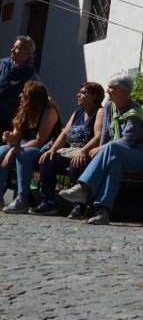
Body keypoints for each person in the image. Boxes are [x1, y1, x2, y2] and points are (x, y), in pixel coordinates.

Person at [58, 73, 143, 226]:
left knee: (112, 147)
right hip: (118, 156)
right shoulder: (109, 106)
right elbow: (105, 134)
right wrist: (101, 148)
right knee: (115, 165)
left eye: (111, 88)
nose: (107, 90)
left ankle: (83, 188)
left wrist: (102, 148)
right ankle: (102, 212)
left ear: (122, 91)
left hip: (141, 158)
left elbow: (126, 142)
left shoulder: (135, 112)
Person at [31, 81, 105, 218]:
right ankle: (48, 203)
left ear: (94, 96)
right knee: (46, 161)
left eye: (83, 93)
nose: (78, 95)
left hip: (88, 153)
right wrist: (52, 149)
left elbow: (98, 136)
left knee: (76, 164)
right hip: (70, 151)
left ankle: (80, 206)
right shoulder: (77, 112)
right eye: (79, 92)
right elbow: (64, 134)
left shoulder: (100, 112)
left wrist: (82, 151)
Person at [0, 80, 61, 214]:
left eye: (24, 93)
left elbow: (39, 141)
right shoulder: (25, 111)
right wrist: (9, 137)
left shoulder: (49, 112)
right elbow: (15, 138)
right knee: (1, 151)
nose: (20, 95)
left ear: (33, 96)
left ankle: (22, 199)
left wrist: (15, 148)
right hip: (24, 145)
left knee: (24, 154)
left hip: (43, 149)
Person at [0, 36, 41, 133]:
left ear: (26, 53)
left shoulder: (30, 75)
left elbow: (37, 98)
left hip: (8, 123)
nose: (12, 50)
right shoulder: (2, 63)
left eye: (17, 48)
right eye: (13, 47)